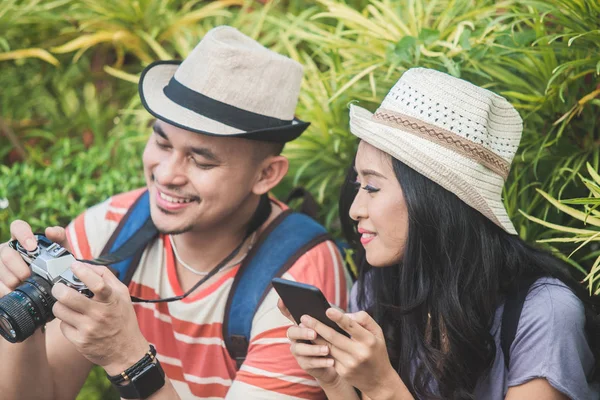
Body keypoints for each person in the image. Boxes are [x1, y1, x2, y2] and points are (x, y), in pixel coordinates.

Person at [0, 26, 348, 400]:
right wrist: (21, 311)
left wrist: (127, 356)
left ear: (266, 174)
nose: (166, 175)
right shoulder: (111, 227)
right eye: (162, 143)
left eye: (200, 160)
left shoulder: (298, 279)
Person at [279, 68, 600, 399]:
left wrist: (381, 386)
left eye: (373, 187)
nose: (354, 209)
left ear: (432, 199)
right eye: (358, 185)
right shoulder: (378, 291)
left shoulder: (543, 312)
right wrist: (334, 380)